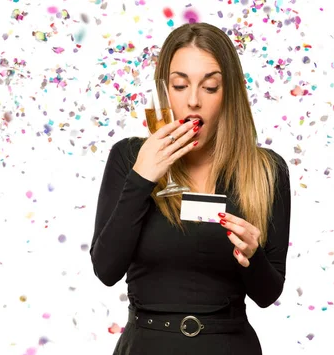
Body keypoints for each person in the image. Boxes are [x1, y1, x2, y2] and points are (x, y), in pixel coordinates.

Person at [90, 22, 291, 355]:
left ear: (230, 95)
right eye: (180, 85)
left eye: (210, 87)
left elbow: (267, 295)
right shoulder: (129, 157)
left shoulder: (266, 170)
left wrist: (253, 257)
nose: (194, 101)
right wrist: (142, 177)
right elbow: (106, 270)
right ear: (164, 91)